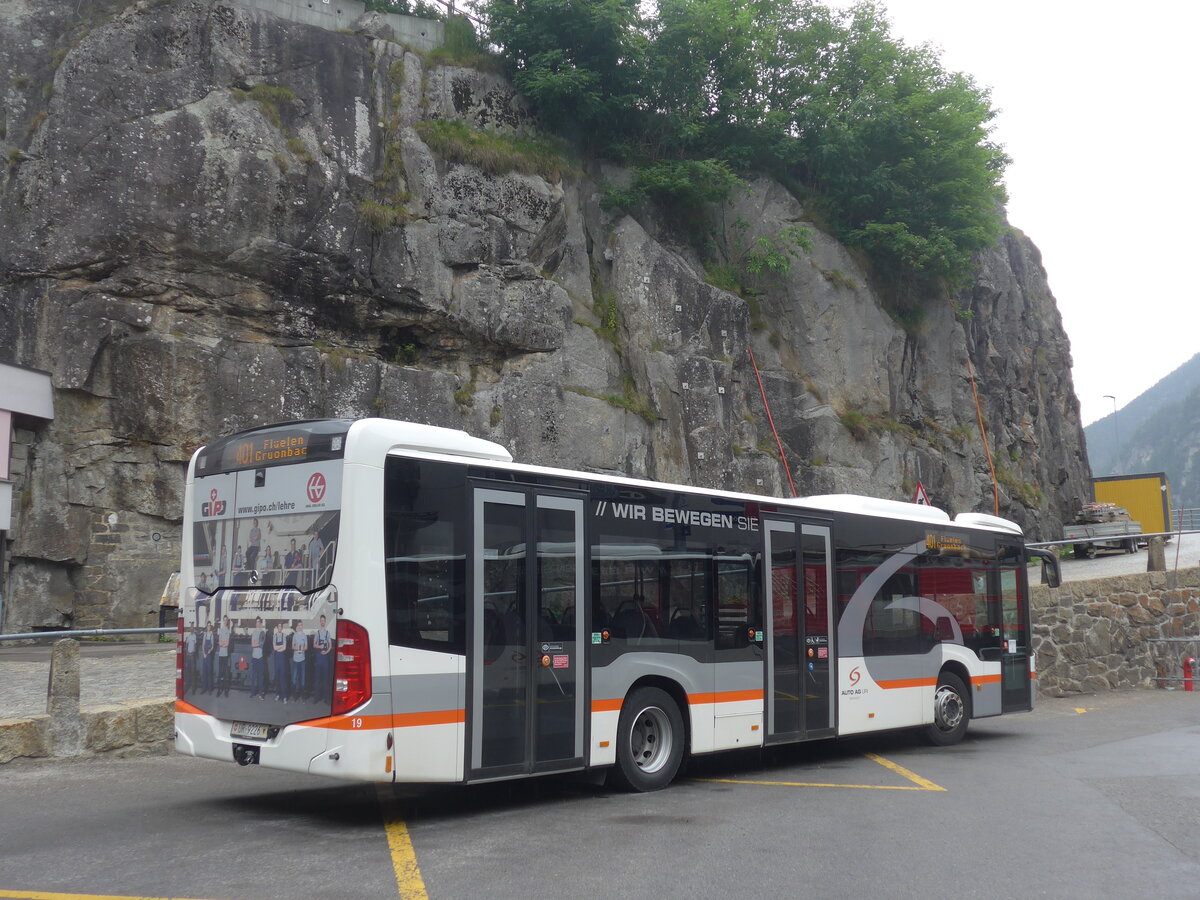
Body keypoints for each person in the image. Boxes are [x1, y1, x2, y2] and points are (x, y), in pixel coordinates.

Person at [312, 614, 333, 703]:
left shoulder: (328, 633)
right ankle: (317, 697)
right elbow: (314, 644)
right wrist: (319, 647)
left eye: (324, 621)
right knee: (317, 679)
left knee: (325, 679)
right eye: (321, 621)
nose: (322, 622)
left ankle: (326, 698)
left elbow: (330, 646)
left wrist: (326, 652)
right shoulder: (317, 633)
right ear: (320, 622)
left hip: (325, 659)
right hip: (318, 658)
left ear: (325, 622)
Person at [290, 620, 309, 701]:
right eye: (299, 625)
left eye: (301, 625)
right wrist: (298, 648)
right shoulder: (294, 636)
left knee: (302, 680)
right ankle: (294, 696)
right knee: (294, 679)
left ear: (302, 626)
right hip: (295, 660)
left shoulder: (304, 636)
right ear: (297, 626)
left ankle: (302, 696)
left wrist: (302, 648)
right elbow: (292, 647)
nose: (300, 626)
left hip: (302, 660)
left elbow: (306, 647)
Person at [249, 616, 267, 698]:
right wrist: (257, 644)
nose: (258, 623)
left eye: (259, 622)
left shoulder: (263, 632)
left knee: (261, 676)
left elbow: (261, 644)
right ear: (255, 623)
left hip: (260, 657)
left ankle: (261, 694)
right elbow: (252, 645)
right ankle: (252, 692)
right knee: (253, 676)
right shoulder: (254, 632)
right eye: (256, 622)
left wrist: (257, 643)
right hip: (254, 657)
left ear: (260, 623)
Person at [272, 621, 289, 702]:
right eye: (278, 626)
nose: (279, 628)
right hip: (277, 659)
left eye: (280, 627)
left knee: (283, 678)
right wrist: (281, 646)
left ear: (282, 628)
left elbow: (285, 648)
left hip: (282, 659)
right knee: (277, 677)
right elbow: (274, 648)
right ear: (277, 628)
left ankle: (284, 696)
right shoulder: (274, 636)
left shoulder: (284, 635)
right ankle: (278, 695)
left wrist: (278, 647)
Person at [217, 615, 233, 696]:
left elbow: (227, 643)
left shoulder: (228, 631)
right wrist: (223, 643)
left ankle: (226, 691)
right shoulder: (221, 630)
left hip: (226, 655)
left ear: (227, 621)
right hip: (221, 654)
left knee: (226, 673)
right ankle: (219, 690)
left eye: (226, 620)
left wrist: (223, 643)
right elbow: (219, 642)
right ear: (223, 621)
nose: (225, 621)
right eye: (224, 620)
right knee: (220, 672)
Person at [200, 621, 216, 694]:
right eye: (208, 626)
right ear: (206, 627)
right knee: (204, 672)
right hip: (204, 655)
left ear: (211, 627)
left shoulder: (212, 635)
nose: (209, 627)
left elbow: (212, 646)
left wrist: (209, 651)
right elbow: (203, 645)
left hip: (209, 655)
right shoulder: (205, 634)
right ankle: (204, 688)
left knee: (209, 672)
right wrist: (203, 653)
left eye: (210, 626)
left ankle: (209, 689)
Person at [184, 625, 198, 692]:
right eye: (190, 629)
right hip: (188, 655)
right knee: (187, 671)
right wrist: (187, 652)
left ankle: (193, 688)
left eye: (192, 629)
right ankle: (187, 686)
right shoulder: (189, 636)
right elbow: (186, 645)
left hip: (192, 655)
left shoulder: (194, 636)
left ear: (194, 630)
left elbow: (195, 646)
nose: (191, 630)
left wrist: (193, 652)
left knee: (193, 672)